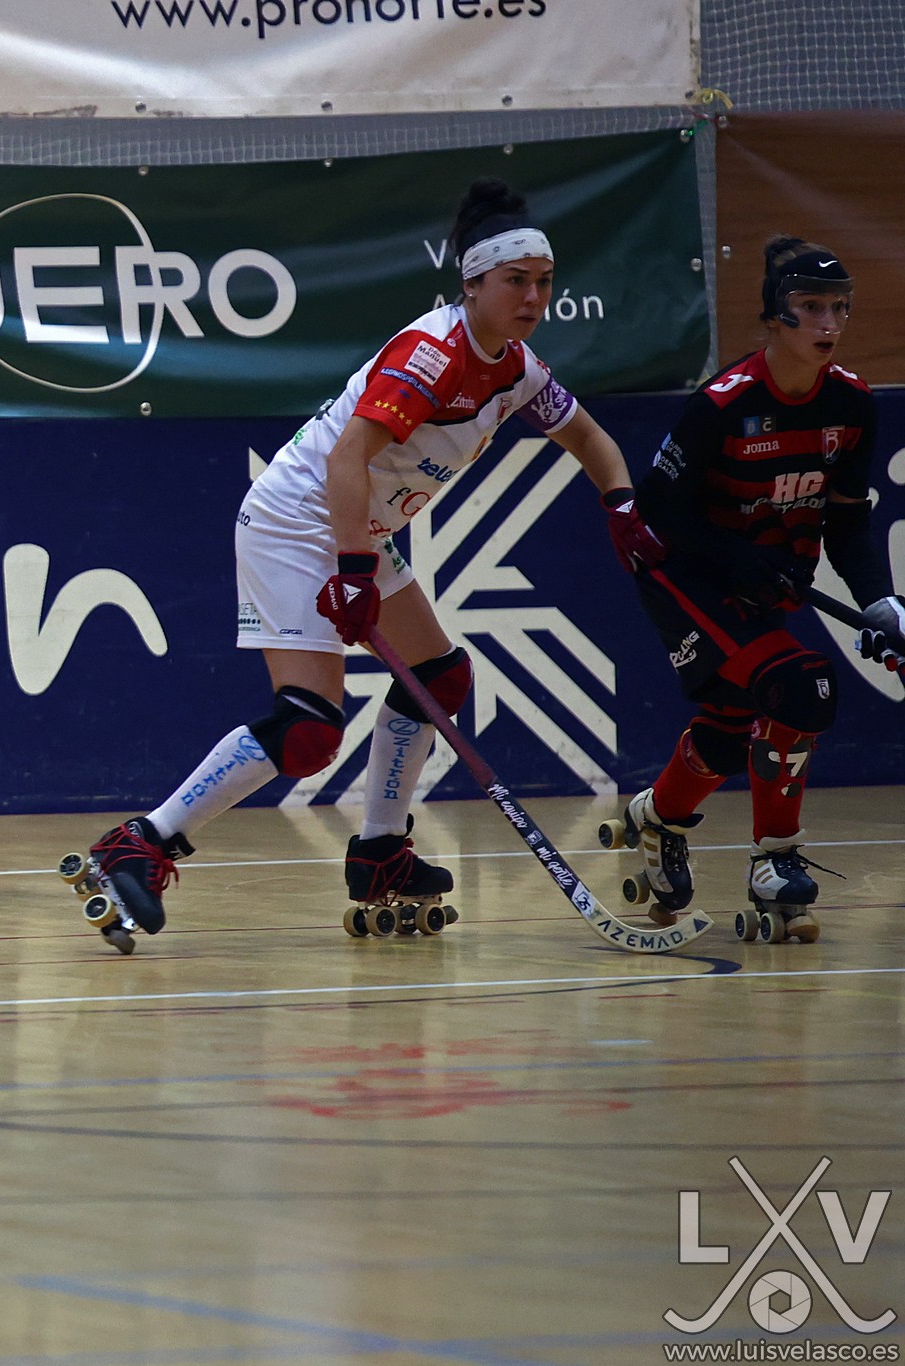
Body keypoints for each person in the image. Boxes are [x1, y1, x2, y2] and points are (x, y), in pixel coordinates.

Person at [75, 178, 657, 942]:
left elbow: (589, 437)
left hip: (357, 531)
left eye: (544, 281)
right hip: (296, 522)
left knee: (439, 677)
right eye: (516, 280)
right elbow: (346, 456)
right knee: (308, 729)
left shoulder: (517, 370)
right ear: (472, 284)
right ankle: (142, 843)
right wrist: (352, 572)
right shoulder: (431, 357)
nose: (533, 297)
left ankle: (381, 851)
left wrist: (622, 505)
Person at [617, 236, 903, 943]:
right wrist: (735, 556)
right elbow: (658, 507)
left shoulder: (853, 404)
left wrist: (880, 603)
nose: (829, 323)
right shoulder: (724, 404)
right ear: (776, 315)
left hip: (764, 579)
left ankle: (658, 820)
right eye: (811, 307)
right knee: (803, 685)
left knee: (726, 729)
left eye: (839, 307)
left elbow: (848, 522)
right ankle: (775, 859)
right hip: (685, 573)